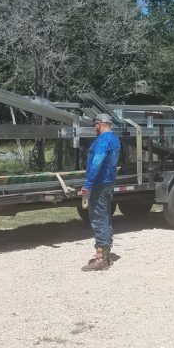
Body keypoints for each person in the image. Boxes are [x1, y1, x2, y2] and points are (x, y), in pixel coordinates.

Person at [79, 113, 120, 272]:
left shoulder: (103, 140)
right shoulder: (115, 139)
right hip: (109, 183)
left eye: (94, 125)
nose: (94, 128)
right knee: (105, 216)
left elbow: (97, 162)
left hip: (99, 184)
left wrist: (88, 184)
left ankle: (100, 258)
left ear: (99, 124)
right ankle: (106, 251)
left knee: (98, 217)